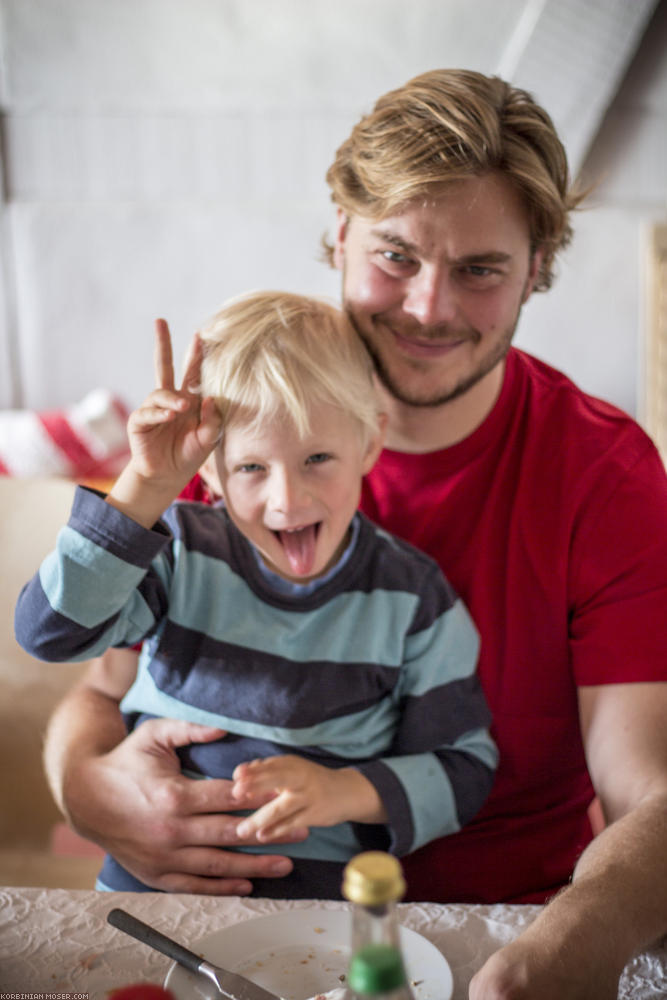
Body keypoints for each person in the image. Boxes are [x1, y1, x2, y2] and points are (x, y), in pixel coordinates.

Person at [40, 69, 667, 999]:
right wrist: (87, 790)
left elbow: (645, 789)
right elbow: (99, 685)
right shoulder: (237, 428)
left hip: (506, 925)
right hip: (236, 922)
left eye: (480, 269)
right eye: (396, 257)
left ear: (537, 266)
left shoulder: (601, 473)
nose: (427, 308)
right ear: (338, 235)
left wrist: (565, 944)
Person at [15, 290, 496, 898]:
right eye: (252, 468)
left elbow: (463, 769)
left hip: (321, 920)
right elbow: (49, 632)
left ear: (369, 444)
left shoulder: (414, 599)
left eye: (318, 457)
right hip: (149, 898)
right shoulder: (180, 553)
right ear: (211, 472)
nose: (287, 500)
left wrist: (342, 791)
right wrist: (143, 487)